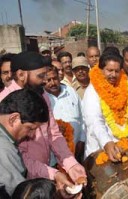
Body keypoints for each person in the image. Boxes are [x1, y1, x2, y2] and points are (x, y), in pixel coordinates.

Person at [0, 51, 87, 192]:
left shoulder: (42, 94)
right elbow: (19, 158)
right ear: (21, 75)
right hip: (23, 180)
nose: (45, 81)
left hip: (47, 169)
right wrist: (54, 174)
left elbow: (54, 133)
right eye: (40, 76)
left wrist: (70, 164)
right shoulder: (5, 104)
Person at [82, 53, 128, 160]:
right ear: (101, 70)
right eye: (109, 70)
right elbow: (94, 121)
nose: (114, 75)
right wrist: (106, 142)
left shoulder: (126, 87)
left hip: (123, 146)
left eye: (117, 71)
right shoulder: (92, 91)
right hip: (100, 148)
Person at [0, 89, 49, 196]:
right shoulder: (4, 148)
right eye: (30, 128)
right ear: (14, 119)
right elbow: (22, 194)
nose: (31, 135)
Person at [44, 66, 86, 163]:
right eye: (48, 80)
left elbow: (83, 116)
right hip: (54, 156)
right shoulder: (42, 98)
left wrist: (82, 139)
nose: (52, 83)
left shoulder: (70, 91)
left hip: (77, 149)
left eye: (54, 78)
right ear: (43, 81)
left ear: (59, 78)